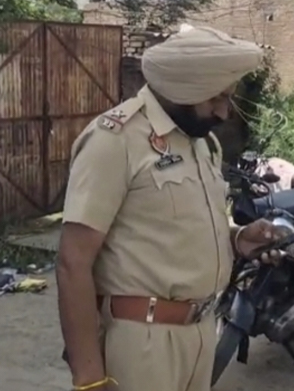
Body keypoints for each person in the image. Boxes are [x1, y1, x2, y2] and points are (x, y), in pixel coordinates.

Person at [56, 26, 282, 391]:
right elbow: (73, 262)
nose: (224, 112)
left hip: (201, 331)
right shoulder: (114, 140)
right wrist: (89, 378)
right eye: (216, 98)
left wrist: (238, 239)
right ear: (182, 90)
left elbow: (172, 230)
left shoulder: (202, 143)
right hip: (143, 343)